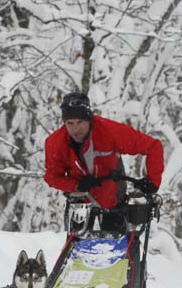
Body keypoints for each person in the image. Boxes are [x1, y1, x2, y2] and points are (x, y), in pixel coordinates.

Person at [44, 92, 164, 233]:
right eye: (70, 123)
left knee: (117, 249)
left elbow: (153, 146)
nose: (75, 129)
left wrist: (153, 182)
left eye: (80, 122)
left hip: (112, 198)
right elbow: (52, 177)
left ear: (89, 119)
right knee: (77, 247)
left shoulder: (110, 132)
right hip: (80, 200)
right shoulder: (55, 143)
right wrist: (76, 185)